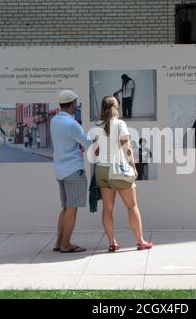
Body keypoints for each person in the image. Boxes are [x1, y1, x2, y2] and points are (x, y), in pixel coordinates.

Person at [93, 95, 153, 252]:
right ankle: (140, 241)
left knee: (107, 208)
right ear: (116, 107)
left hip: (101, 170)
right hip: (118, 169)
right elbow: (128, 149)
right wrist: (133, 167)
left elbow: (97, 151)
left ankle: (112, 243)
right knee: (132, 206)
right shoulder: (120, 124)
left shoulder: (98, 125)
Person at [50, 89, 94, 253]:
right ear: (73, 104)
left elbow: (68, 142)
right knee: (72, 209)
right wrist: (93, 140)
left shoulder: (55, 120)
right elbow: (88, 143)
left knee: (65, 208)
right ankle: (66, 245)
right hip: (74, 170)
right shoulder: (72, 124)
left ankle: (58, 242)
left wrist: (77, 146)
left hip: (60, 170)